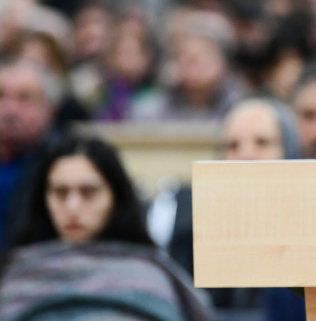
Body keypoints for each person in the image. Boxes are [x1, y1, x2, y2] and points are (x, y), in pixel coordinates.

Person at [0, 135, 211, 320]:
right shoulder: (18, 279)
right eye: (60, 193)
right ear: (43, 199)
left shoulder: (149, 277)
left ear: (115, 198)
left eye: (88, 192)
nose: (73, 207)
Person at [148, 96, 305, 321]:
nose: (246, 156)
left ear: (290, 150)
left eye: (262, 142)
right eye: (232, 146)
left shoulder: (311, 230)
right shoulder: (190, 227)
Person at [0, 59, 59, 251]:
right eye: (1, 96)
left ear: (49, 111)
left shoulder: (64, 164)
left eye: (24, 98)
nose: (9, 110)